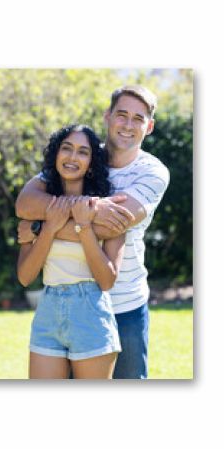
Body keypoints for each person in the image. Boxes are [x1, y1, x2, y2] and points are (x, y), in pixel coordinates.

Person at [16, 85, 170, 379]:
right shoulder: (79, 155)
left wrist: (42, 225)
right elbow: (25, 203)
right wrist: (85, 213)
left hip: (124, 303)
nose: (127, 124)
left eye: (138, 118)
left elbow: (113, 226)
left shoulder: (153, 172)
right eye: (121, 114)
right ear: (107, 117)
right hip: (60, 301)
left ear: (148, 127)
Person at [17, 124, 126, 379]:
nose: (72, 157)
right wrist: (49, 228)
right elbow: (25, 276)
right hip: (48, 311)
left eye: (82, 152)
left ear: (91, 162)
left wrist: (85, 227)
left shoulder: (108, 211)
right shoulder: (36, 211)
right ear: (55, 154)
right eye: (66, 148)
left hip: (91, 312)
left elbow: (107, 280)